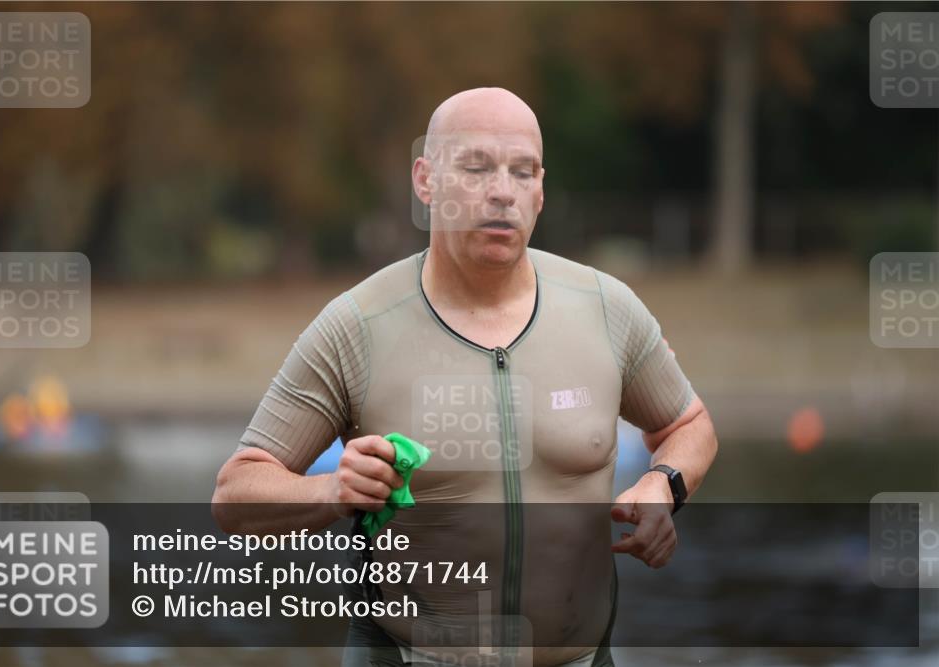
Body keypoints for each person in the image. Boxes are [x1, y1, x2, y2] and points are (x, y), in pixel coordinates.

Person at [213, 87, 719, 667]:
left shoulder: (608, 308)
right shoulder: (356, 325)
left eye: (522, 172)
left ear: (541, 190)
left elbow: (689, 424)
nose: (502, 191)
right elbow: (235, 496)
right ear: (425, 181)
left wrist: (663, 485)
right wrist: (332, 492)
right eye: (476, 167)